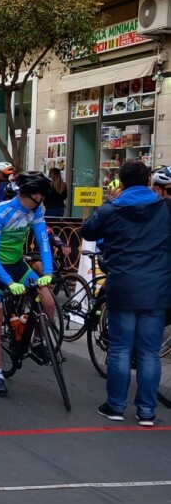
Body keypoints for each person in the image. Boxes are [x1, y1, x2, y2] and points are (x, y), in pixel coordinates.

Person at [81, 159, 171, 426]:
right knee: (149, 352)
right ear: (148, 181)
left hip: (122, 284)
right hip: (157, 287)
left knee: (120, 348)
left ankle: (116, 406)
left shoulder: (112, 209)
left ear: (120, 182)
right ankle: (146, 411)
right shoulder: (166, 208)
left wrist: (108, 203)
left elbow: (88, 230)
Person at [0, 170, 55, 398]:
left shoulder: (36, 211)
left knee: (48, 302)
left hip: (16, 264)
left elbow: (43, 242)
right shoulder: (0, 212)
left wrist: (48, 272)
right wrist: (8, 283)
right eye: (42, 194)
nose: (43, 198)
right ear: (33, 194)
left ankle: (36, 341)